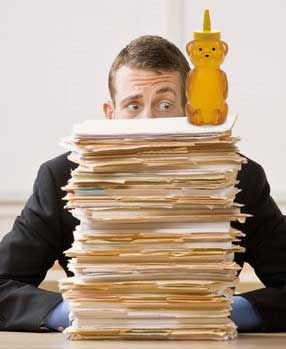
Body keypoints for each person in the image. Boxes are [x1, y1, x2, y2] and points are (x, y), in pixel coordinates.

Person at [0, 35, 285, 333]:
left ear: (190, 111)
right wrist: (74, 312)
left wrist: (224, 313)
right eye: (133, 106)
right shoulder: (62, 179)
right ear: (110, 115)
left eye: (164, 104)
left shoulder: (238, 177)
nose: (149, 122)